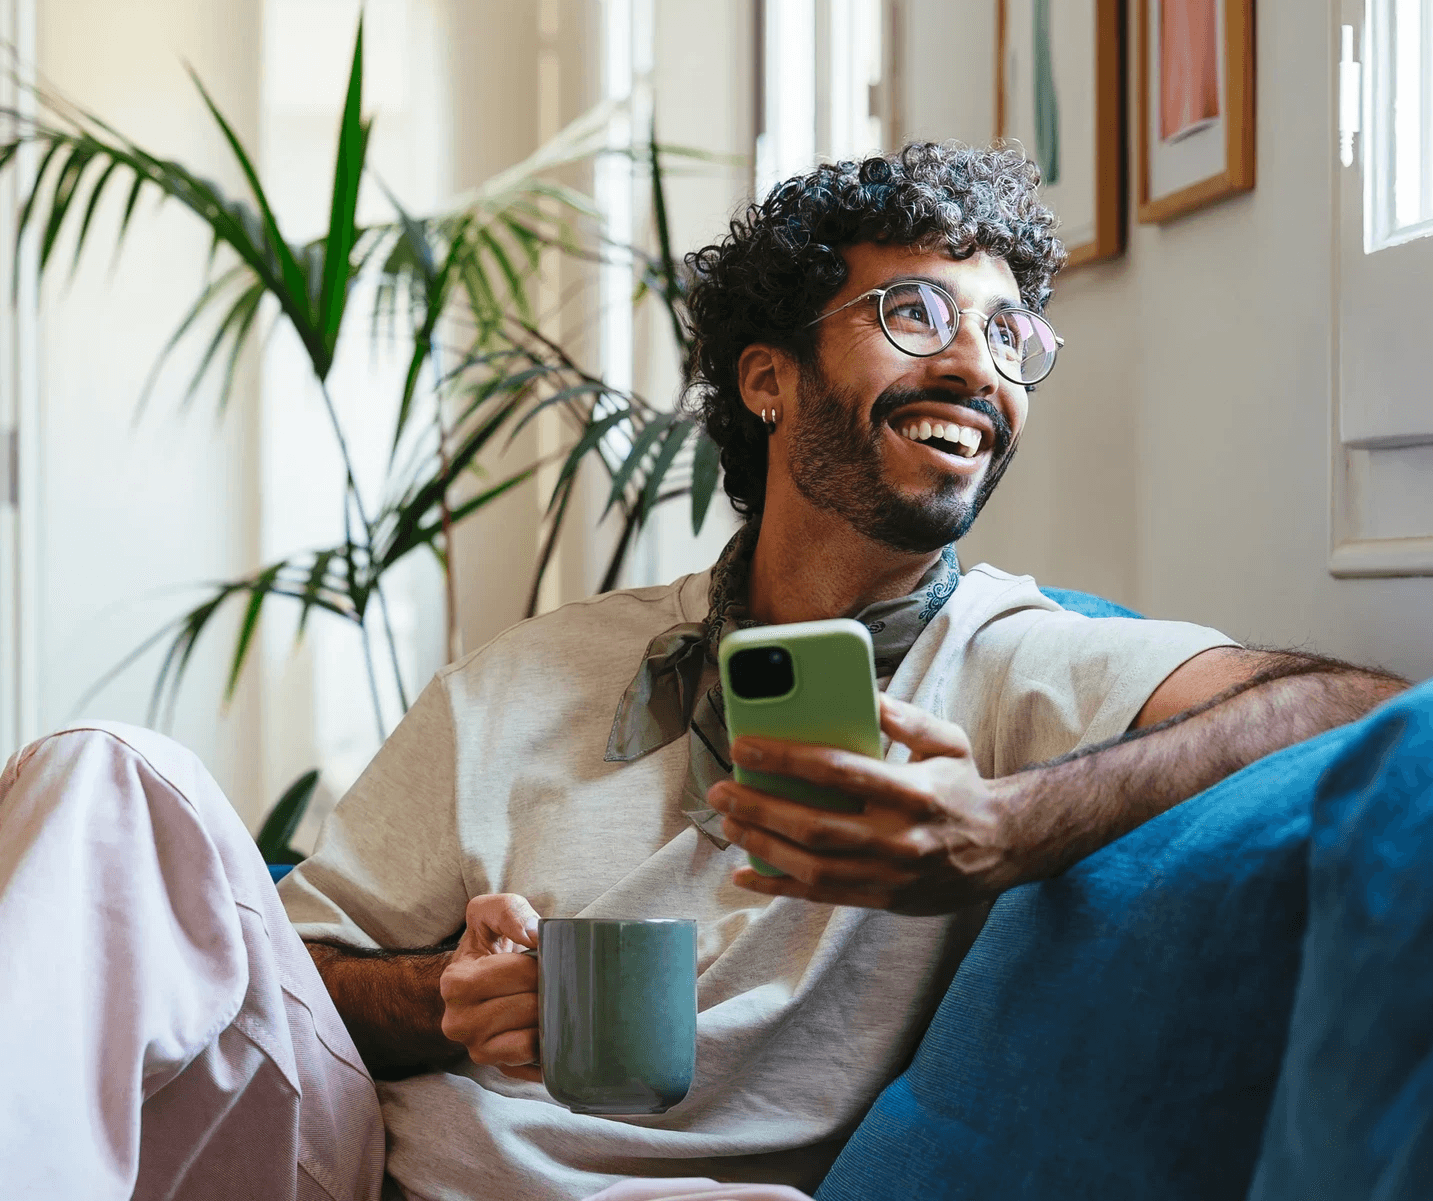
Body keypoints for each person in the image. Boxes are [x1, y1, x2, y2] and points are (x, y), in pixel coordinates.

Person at [0, 144, 1407, 1201]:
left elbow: (1361, 706)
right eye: (918, 311)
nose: (980, 367)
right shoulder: (537, 671)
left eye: (1009, 335)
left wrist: (1002, 827)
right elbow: (284, 970)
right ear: (767, 379)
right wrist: (446, 999)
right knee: (104, 773)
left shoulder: (1024, 663)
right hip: (352, 1163)